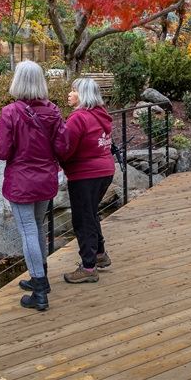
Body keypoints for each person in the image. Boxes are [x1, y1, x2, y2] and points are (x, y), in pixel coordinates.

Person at [0, 61, 67, 311]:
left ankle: (39, 290)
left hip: (21, 180)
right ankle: (41, 276)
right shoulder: (54, 111)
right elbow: (62, 147)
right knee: (37, 226)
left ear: (17, 80)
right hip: (46, 176)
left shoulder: (10, 112)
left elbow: (2, 152)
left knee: (28, 230)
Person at [58, 78, 116, 284]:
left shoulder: (78, 118)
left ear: (82, 94)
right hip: (105, 170)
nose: (69, 94)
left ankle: (88, 267)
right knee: (90, 214)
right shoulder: (101, 115)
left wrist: (53, 158)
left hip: (85, 174)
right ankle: (99, 254)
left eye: (73, 90)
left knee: (83, 219)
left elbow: (66, 148)